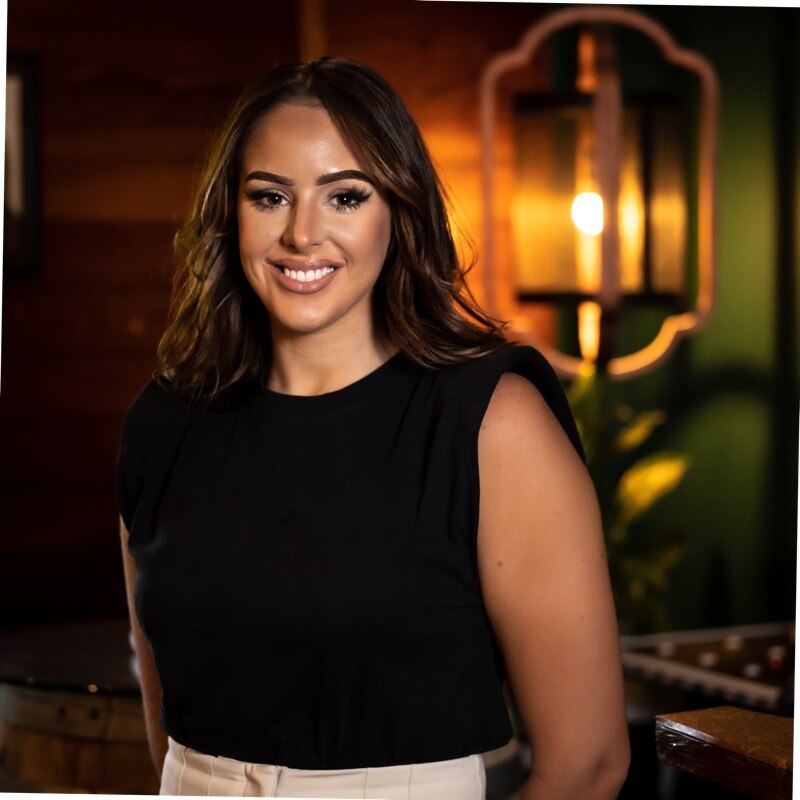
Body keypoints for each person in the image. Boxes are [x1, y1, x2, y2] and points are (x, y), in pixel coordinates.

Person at [116, 56, 630, 799]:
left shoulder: (491, 423)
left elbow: (586, 767)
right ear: (231, 213)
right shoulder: (162, 423)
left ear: (400, 210)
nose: (301, 234)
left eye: (345, 197)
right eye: (269, 197)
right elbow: (166, 710)